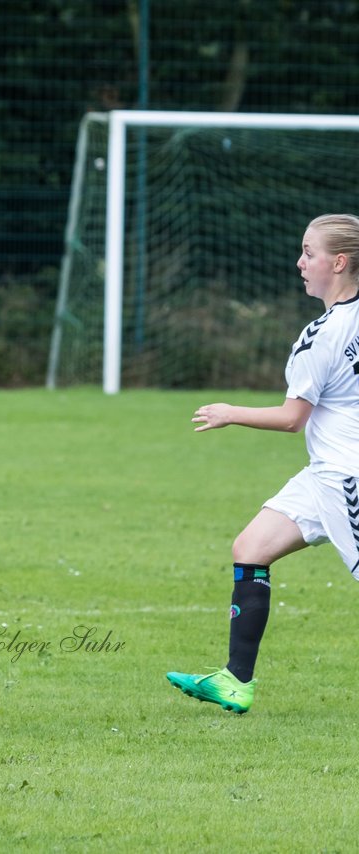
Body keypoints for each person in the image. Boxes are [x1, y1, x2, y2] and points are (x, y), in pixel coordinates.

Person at [167, 214, 359, 713]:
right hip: (324, 474)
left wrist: (230, 412)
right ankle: (235, 681)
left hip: (347, 478)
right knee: (251, 547)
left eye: (309, 253)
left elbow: (293, 418)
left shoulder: (325, 334)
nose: (300, 262)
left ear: (338, 262)